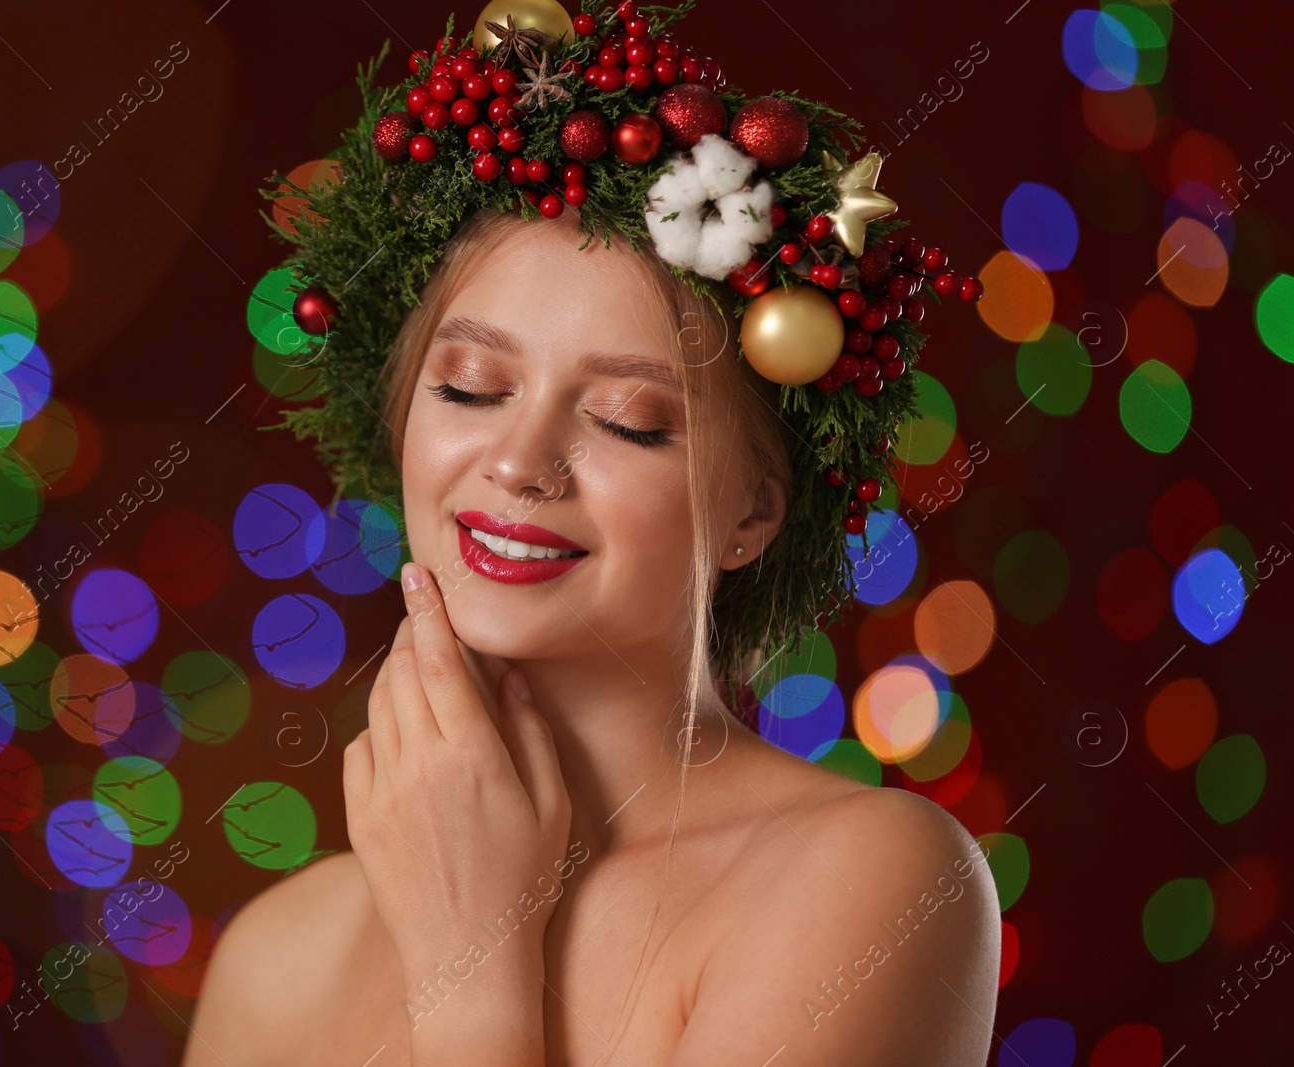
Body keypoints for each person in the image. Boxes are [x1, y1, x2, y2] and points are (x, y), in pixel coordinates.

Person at [189, 3, 998, 1063]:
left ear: (754, 509)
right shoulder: (277, 953)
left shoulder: (869, 879)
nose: (522, 461)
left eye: (629, 420)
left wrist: (472, 966)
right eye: (471, 388)